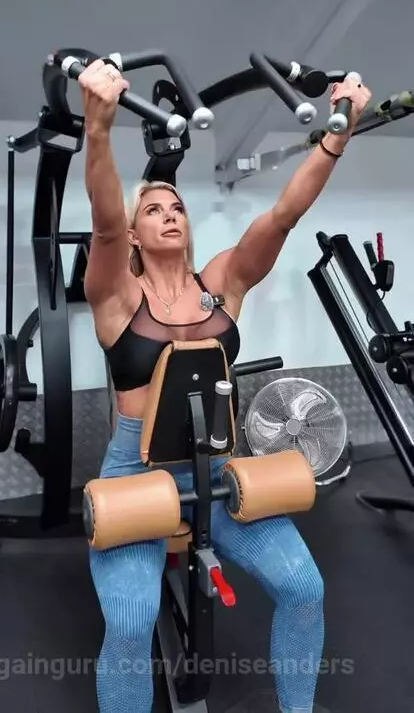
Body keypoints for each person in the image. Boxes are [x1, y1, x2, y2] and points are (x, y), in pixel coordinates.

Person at [79, 57, 371, 713]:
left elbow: (282, 217)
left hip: (219, 465)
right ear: (135, 233)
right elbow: (103, 225)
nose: (169, 215)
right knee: (130, 623)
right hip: (137, 472)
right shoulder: (118, 298)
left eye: (177, 207)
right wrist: (97, 131)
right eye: (153, 209)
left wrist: (338, 136)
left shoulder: (222, 284)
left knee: (305, 587)